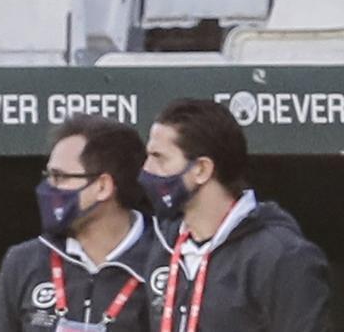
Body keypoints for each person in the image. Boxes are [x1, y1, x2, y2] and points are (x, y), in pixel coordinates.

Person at [139, 99, 332, 332]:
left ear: (201, 169)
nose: (146, 169)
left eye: (159, 157)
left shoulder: (281, 255)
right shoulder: (165, 245)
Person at [0, 115, 153, 331]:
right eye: (49, 176)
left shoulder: (165, 260)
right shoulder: (24, 261)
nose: (48, 188)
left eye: (60, 177)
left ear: (103, 186)